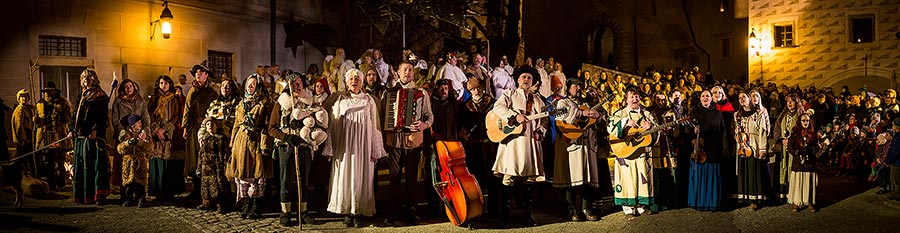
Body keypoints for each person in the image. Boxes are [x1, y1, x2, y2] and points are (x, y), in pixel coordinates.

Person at [323, 68, 386, 227]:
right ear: (346, 81)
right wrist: (330, 148)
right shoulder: (340, 100)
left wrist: (375, 149)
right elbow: (333, 126)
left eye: (357, 78)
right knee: (345, 177)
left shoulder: (369, 100)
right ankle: (347, 212)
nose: (354, 81)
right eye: (351, 78)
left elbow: (375, 126)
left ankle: (358, 212)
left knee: (360, 178)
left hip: (363, 147)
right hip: (345, 147)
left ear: (362, 81)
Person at [268, 73, 328, 226]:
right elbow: (271, 128)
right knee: (286, 179)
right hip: (286, 146)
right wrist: (286, 137)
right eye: (294, 83)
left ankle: (303, 210)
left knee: (304, 179)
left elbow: (316, 122)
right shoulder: (281, 102)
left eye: (300, 82)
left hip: (304, 145)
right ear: (289, 85)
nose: (298, 85)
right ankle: (286, 211)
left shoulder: (309, 101)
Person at [491, 66, 546, 226]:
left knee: (528, 180)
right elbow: (498, 108)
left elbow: (544, 119)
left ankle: (527, 215)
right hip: (513, 142)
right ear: (517, 79)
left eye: (529, 77)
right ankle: (504, 216)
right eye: (524, 77)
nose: (526, 80)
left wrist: (540, 131)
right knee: (509, 178)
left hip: (530, 142)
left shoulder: (537, 100)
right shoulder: (509, 94)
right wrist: (515, 116)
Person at [381, 60, 434, 224]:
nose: (408, 73)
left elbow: (429, 116)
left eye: (411, 70)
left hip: (413, 140)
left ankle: (411, 210)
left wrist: (424, 124)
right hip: (394, 140)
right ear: (398, 71)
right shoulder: (388, 92)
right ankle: (393, 211)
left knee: (412, 177)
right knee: (394, 177)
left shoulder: (421, 93)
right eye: (405, 70)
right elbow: (382, 116)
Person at [553, 78, 602, 221]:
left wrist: (597, 116)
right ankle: (573, 209)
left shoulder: (587, 104)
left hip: (587, 144)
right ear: (568, 88)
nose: (579, 89)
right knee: (572, 177)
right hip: (572, 144)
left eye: (580, 86)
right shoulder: (562, 102)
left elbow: (599, 122)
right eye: (575, 86)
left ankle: (586, 208)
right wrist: (582, 114)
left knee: (586, 177)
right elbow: (561, 116)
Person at [226, 74, 273, 220]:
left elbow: (267, 126)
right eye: (248, 84)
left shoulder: (265, 103)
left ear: (258, 86)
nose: (250, 87)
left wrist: (265, 145)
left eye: (253, 84)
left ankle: (256, 206)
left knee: (256, 175)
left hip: (256, 142)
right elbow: (236, 124)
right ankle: (246, 204)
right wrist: (232, 143)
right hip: (241, 142)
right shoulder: (241, 103)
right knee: (243, 175)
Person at [607, 86, 657, 220]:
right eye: (632, 96)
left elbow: (656, 132)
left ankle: (641, 206)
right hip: (625, 152)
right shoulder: (620, 113)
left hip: (641, 153)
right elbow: (610, 126)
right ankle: (628, 208)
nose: (635, 99)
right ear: (626, 99)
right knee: (627, 180)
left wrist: (651, 127)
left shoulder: (646, 114)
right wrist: (625, 122)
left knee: (642, 178)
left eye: (637, 96)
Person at [459, 77, 500, 217]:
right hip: (474, 147)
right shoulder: (466, 106)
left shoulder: (493, 103)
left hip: (490, 146)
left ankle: (495, 209)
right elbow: (462, 124)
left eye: (477, 88)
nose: (475, 91)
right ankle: (478, 209)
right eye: (472, 89)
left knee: (494, 178)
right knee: (476, 178)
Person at [69, 69, 110, 205]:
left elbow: (102, 116)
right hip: (80, 136)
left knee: (96, 166)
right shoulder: (81, 95)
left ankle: (99, 196)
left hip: (94, 137)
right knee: (81, 166)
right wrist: (71, 129)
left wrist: (95, 130)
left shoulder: (101, 96)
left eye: (89, 77)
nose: (87, 79)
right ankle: (83, 195)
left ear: (94, 79)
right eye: (84, 77)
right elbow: (74, 114)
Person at [183, 62, 220, 199]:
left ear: (206, 75)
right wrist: (185, 127)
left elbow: (217, 108)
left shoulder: (213, 90)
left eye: (201, 72)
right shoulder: (192, 90)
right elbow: (187, 109)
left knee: (207, 156)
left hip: (208, 127)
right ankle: (196, 188)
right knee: (194, 158)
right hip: (194, 127)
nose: (198, 74)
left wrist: (207, 120)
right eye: (196, 72)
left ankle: (210, 190)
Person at [147, 75, 185, 204]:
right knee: (157, 162)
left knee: (169, 163)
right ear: (158, 84)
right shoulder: (154, 98)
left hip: (169, 134)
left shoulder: (174, 98)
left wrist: (166, 129)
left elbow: (177, 115)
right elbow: (149, 114)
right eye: (162, 83)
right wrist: (156, 130)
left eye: (167, 83)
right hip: (156, 135)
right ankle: (157, 192)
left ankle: (169, 193)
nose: (164, 85)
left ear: (170, 85)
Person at [687, 90, 725, 211]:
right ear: (700, 99)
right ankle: (698, 202)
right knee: (699, 177)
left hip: (713, 149)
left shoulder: (718, 113)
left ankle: (711, 203)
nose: (705, 98)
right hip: (698, 150)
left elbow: (722, 132)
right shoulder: (694, 112)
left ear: (711, 98)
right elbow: (687, 130)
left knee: (711, 178)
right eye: (703, 96)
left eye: (707, 96)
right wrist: (693, 131)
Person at [111, 79, 151, 190]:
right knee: (124, 166)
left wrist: (145, 131)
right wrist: (123, 133)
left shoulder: (140, 101)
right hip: (124, 137)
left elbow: (146, 119)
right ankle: (125, 193)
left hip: (138, 135)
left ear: (134, 87)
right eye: (126, 87)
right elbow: (115, 120)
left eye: (130, 86)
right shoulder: (118, 101)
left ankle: (139, 193)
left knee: (139, 166)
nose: (129, 89)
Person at [733, 92, 770, 210]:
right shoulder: (737, 115)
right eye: (739, 98)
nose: (742, 99)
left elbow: (763, 131)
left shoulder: (759, 113)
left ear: (749, 98)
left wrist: (762, 149)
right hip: (743, 147)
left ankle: (756, 199)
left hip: (755, 145)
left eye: (744, 97)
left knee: (755, 173)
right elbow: (736, 132)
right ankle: (746, 197)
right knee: (745, 173)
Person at [196, 117, 230, 214]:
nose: (210, 126)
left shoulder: (221, 139)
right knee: (206, 185)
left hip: (217, 167)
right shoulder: (204, 139)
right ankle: (207, 202)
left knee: (219, 186)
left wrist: (223, 164)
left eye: (212, 124)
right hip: (206, 167)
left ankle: (221, 204)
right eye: (208, 124)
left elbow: (224, 153)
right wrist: (199, 167)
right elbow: (201, 154)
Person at [787, 112, 819, 212]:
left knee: (808, 182)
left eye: (807, 121)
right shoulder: (795, 133)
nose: (805, 122)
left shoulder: (813, 133)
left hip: (809, 163)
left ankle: (809, 202)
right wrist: (797, 152)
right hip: (798, 162)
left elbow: (817, 146)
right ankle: (796, 202)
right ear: (800, 121)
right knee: (798, 182)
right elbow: (790, 146)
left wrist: (812, 149)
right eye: (803, 120)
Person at [116, 114, 151, 208]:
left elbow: (149, 147)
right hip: (128, 163)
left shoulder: (143, 134)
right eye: (138, 122)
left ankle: (141, 198)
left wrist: (142, 142)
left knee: (140, 184)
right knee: (128, 184)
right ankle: (128, 198)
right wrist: (128, 143)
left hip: (140, 163)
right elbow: (120, 149)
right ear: (133, 125)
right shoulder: (125, 134)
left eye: (140, 122)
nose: (140, 124)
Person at [773, 93, 803, 200]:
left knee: (793, 168)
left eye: (792, 101)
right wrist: (780, 139)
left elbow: (804, 131)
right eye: (788, 101)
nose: (789, 103)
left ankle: (793, 195)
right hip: (783, 147)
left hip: (794, 147)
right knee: (782, 168)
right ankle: (782, 194)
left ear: (797, 102)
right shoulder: (782, 115)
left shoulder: (801, 115)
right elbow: (776, 128)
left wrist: (790, 141)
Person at [11, 89, 35, 164]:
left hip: (29, 136)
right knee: (21, 158)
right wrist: (22, 139)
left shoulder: (29, 108)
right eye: (22, 97)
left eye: (26, 96)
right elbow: (18, 126)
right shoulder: (20, 110)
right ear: (19, 99)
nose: (24, 98)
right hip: (24, 138)